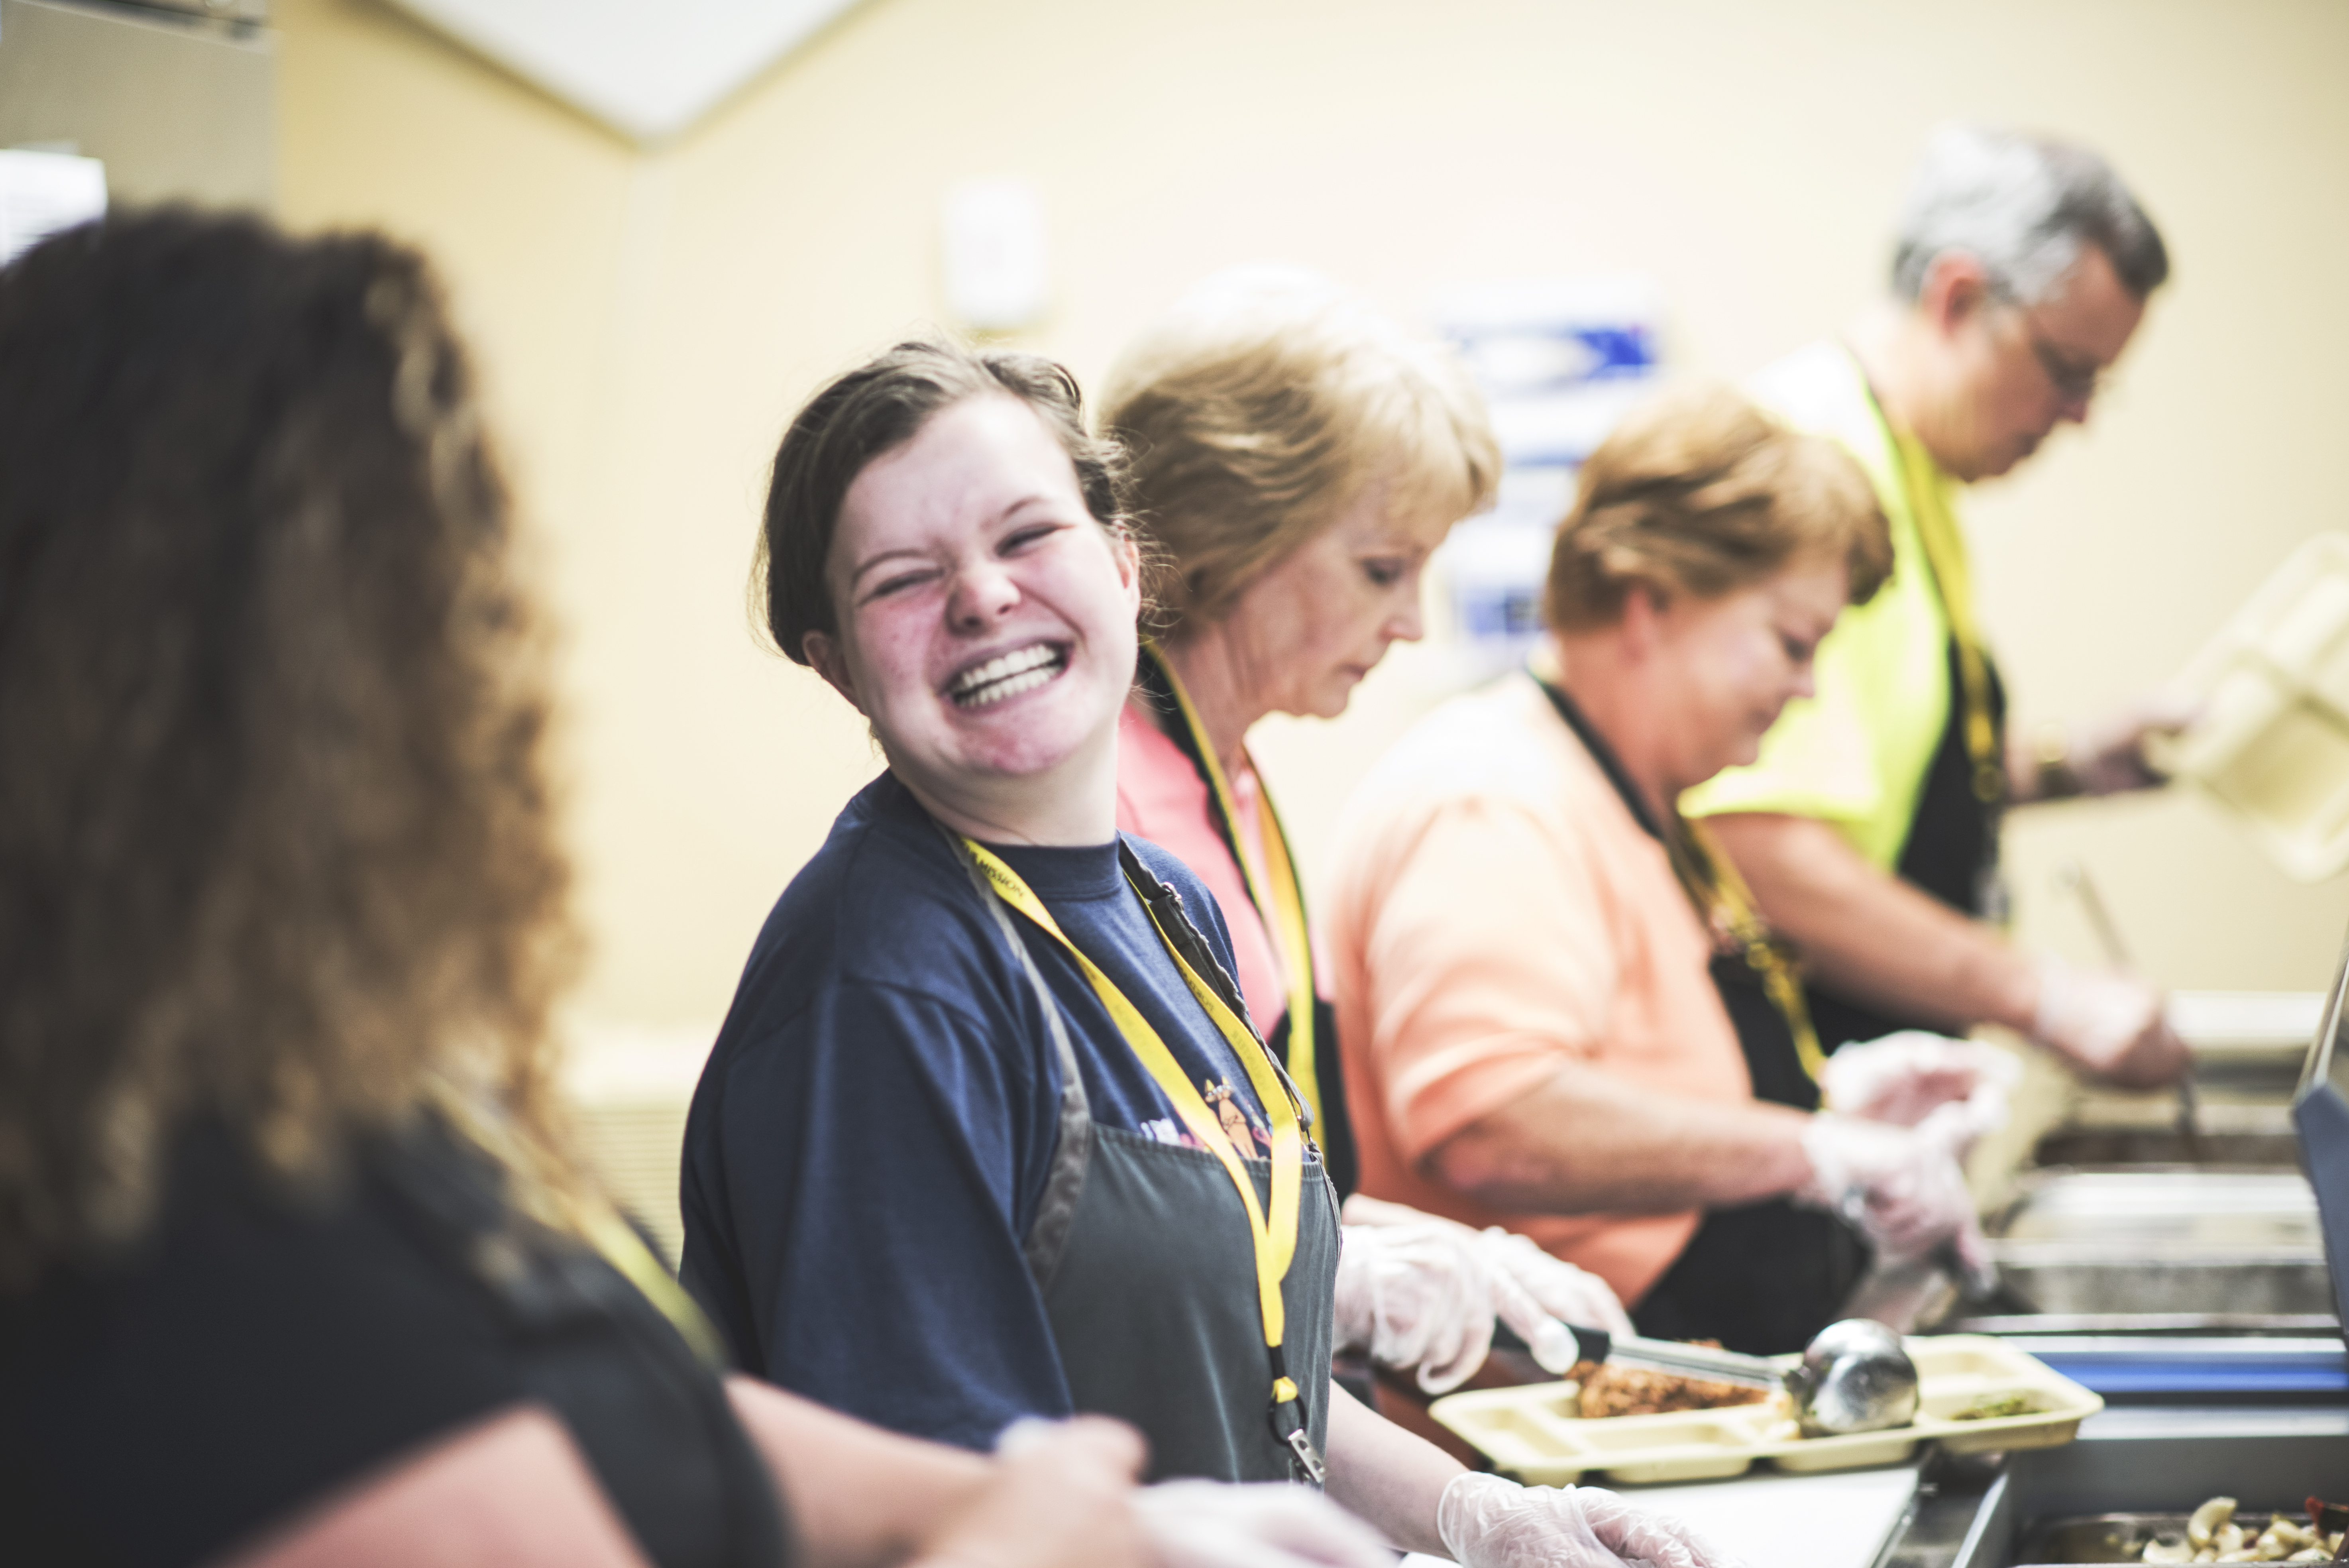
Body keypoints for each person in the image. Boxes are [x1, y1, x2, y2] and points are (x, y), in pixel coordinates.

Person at [0, 210, 1384, 1568]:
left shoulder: (295, 1084)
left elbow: (637, 1416)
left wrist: (1073, 1512)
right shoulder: (185, 1227)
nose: (491, 676)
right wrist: (1016, 1524)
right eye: (439, 595)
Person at [679, 338, 1733, 1568]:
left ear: (1124, 564)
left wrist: (1474, 1514)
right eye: (904, 578)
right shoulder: (885, 992)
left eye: (1026, 536)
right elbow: (944, 1522)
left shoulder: (1157, 896)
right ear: (836, 664)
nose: (982, 596)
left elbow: (1235, 1375)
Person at [1326, 382, 2013, 1355]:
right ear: (1651, 600)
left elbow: (1642, 1070)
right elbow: (1492, 1119)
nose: (1805, 688)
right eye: (1789, 643)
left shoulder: (1645, 804)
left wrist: (1842, 1102)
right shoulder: (1494, 796)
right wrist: (1807, 1152)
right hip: (1553, 1432)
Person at [1098, 271, 1634, 1395]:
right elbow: (1134, 1216)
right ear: (1223, 536)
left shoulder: (1221, 772)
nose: (1408, 622)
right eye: (1382, 569)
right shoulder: (1110, 813)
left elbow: (1247, 1175)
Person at [1682, 124, 2193, 1087]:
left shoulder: (1912, 469)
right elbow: (1759, 844)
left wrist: (2065, 764)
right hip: (1790, 1072)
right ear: (1957, 297)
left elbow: (1861, 775)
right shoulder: (1810, 471)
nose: (2078, 414)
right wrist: (2040, 993)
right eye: (2067, 369)